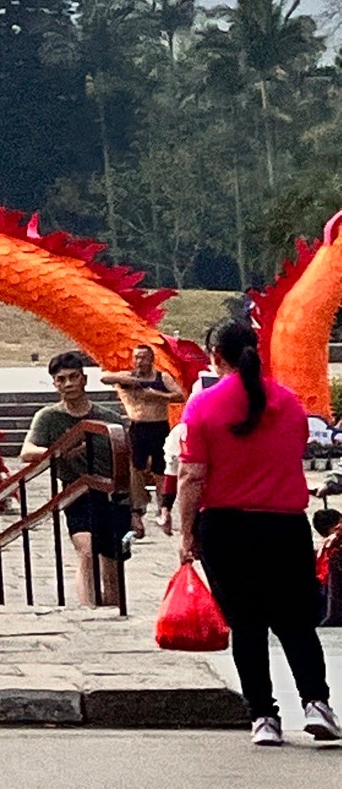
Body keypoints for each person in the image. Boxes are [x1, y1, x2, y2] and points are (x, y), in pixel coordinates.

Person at [178, 316, 337, 746]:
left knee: (247, 626)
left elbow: (192, 476)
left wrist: (185, 532)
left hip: (227, 525)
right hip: (284, 524)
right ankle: (316, 703)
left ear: (215, 356)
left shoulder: (203, 406)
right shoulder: (289, 403)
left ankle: (264, 717)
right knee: (295, 623)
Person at [21, 350, 122, 607]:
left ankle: (112, 611)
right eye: (61, 379)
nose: (68, 384)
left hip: (109, 492)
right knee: (86, 550)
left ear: (84, 379)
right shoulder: (48, 417)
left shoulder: (108, 417)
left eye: (73, 377)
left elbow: (126, 461)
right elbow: (27, 452)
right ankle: (88, 608)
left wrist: (136, 508)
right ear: (55, 383)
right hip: (75, 491)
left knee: (111, 560)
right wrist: (60, 451)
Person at [109, 341, 181, 531]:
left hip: (158, 425)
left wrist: (157, 395)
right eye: (137, 357)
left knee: (160, 470)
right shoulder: (128, 377)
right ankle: (137, 508)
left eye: (144, 358)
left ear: (151, 360)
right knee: (136, 468)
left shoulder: (161, 377)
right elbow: (105, 378)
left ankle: (163, 508)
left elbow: (180, 395)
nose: (140, 361)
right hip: (138, 426)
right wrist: (132, 382)